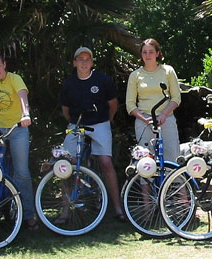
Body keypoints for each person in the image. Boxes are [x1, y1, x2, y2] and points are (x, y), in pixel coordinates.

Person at [60, 47, 124, 221]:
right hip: (77, 124)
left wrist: (106, 121)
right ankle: (65, 209)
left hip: (100, 123)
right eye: (80, 59)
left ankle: (118, 208)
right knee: (65, 163)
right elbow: (65, 110)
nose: (84, 62)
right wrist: (74, 122)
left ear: (92, 62)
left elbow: (113, 104)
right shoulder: (68, 83)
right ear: (74, 62)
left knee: (105, 162)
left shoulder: (103, 80)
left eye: (87, 59)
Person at [0, 53, 37, 230]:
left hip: (17, 128)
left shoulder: (15, 79)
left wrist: (25, 114)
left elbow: (23, 98)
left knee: (21, 172)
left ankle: (28, 215)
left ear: (4, 64)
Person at [125, 38, 182, 162]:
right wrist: (144, 119)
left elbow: (176, 98)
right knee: (145, 160)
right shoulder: (135, 75)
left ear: (157, 53)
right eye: (144, 52)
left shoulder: (168, 71)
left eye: (151, 52)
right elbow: (130, 104)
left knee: (172, 157)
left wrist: (163, 115)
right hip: (144, 121)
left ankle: (174, 181)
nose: (148, 55)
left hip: (166, 119)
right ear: (141, 54)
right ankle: (146, 182)